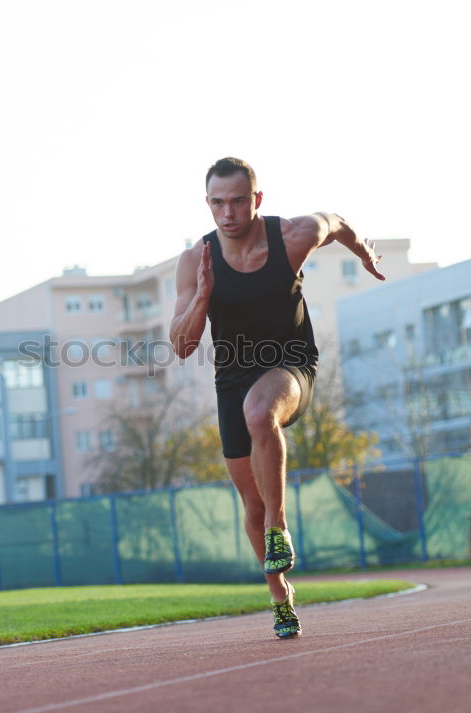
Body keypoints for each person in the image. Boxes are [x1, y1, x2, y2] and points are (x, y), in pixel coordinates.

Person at [168, 157, 385, 638]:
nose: (228, 212)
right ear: (208, 204)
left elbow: (338, 224)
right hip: (231, 377)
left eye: (238, 200)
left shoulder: (292, 236)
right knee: (251, 503)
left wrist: (363, 252)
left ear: (256, 199)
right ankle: (280, 594)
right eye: (218, 203)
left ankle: (279, 526)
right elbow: (181, 346)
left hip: (291, 366)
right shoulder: (195, 261)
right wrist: (203, 297)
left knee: (260, 412)